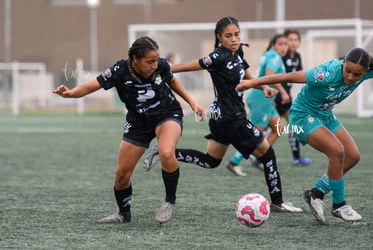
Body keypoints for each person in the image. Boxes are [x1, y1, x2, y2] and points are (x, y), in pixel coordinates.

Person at [236, 47, 373, 223]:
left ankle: (317, 193)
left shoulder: (366, 72)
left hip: (325, 115)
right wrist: (253, 83)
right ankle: (339, 205)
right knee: (337, 151)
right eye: (348, 71)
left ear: (365, 71)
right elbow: (287, 77)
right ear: (343, 64)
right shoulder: (326, 74)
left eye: (357, 75)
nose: (351, 77)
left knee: (353, 156)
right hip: (302, 115)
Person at [144, 16, 303, 213]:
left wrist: (262, 86)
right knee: (268, 154)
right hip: (232, 118)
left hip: (220, 119)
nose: (234, 39)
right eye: (228, 36)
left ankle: (165, 153)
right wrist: (163, 67)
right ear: (219, 37)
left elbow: (244, 73)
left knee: (211, 161)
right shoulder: (217, 57)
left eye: (236, 34)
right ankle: (278, 202)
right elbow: (191, 65)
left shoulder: (237, 52)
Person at [53, 36, 204, 224]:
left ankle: (169, 201)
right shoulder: (119, 71)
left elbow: (173, 82)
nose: (155, 65)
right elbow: (90, 86)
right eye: (149, 62)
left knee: (166, 152)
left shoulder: (162, 67)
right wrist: (70, 93)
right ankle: (123, 213)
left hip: (167, 114)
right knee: (122, 174)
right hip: (138, 122)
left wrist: (193, 103)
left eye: (156, 60)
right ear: (134, 59)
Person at [226, 34, 290, 176]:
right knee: (255, 134)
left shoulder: (270, 55)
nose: (284, 47)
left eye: (286, 44)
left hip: (264, 98)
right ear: (273, 45)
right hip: (260, 98)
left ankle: (258, 158)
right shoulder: (274, 57)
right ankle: (234, 162)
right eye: (280, 44)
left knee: (278, 128)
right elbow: (270, 77)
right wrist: (283, 92)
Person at [276, 29, 312, 166]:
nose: (293, 42)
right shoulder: (280, 56)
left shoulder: (297, 56)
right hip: (276, 96)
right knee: (269, 128)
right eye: (290, 40)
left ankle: (296, 158)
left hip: (286, 97)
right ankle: (251, 156)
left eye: (296, 40)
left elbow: (300, 75)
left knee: (293, 126)